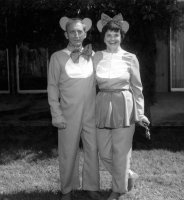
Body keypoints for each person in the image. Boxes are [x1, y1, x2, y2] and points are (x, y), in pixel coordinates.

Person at [93, 13, 150, 200]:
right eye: (109, 35)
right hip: (102, 104)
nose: (112, 38)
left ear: (121, 36)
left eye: (116, 35)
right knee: (104, 152)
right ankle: (127, 175)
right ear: (104, 37)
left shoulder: (130, 58)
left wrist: (140, 114)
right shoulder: (96, 57)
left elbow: (137, 87)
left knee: (122, 152)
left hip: (124, 105)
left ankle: (117, 190)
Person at [47, 17, 102, 200]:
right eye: (72, 31)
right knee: (67, 151)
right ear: (66, 34)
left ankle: (92, 186)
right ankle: (67, 189)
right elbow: (52, 87)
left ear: (85, 33)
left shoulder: (94, 56)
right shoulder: (57, 57)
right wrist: (56, 114)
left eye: (80, 31)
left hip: (91, 113)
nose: (76, 35)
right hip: (68, 114)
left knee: (92, 149)